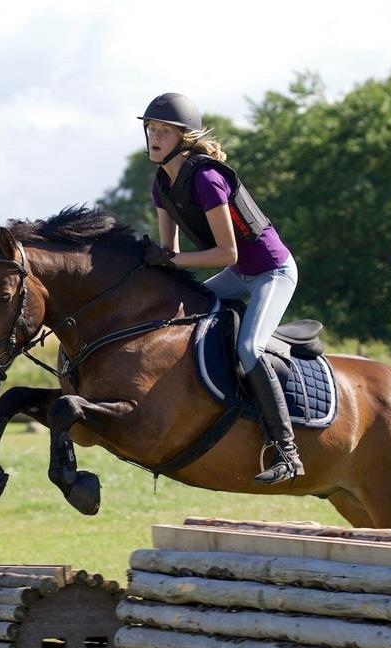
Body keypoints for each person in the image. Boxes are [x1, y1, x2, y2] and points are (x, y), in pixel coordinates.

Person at [138, 92, 301, 484]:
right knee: (179, 321)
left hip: (271, 271)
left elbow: (227, 253)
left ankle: (287, 450)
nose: (154, 137)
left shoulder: (208, 179)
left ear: (185, 138)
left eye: (164, 130)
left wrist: (172, 261)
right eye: (150, 129)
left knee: (248, 348)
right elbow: (169, 252)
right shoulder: (162, 184)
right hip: (239, 272)